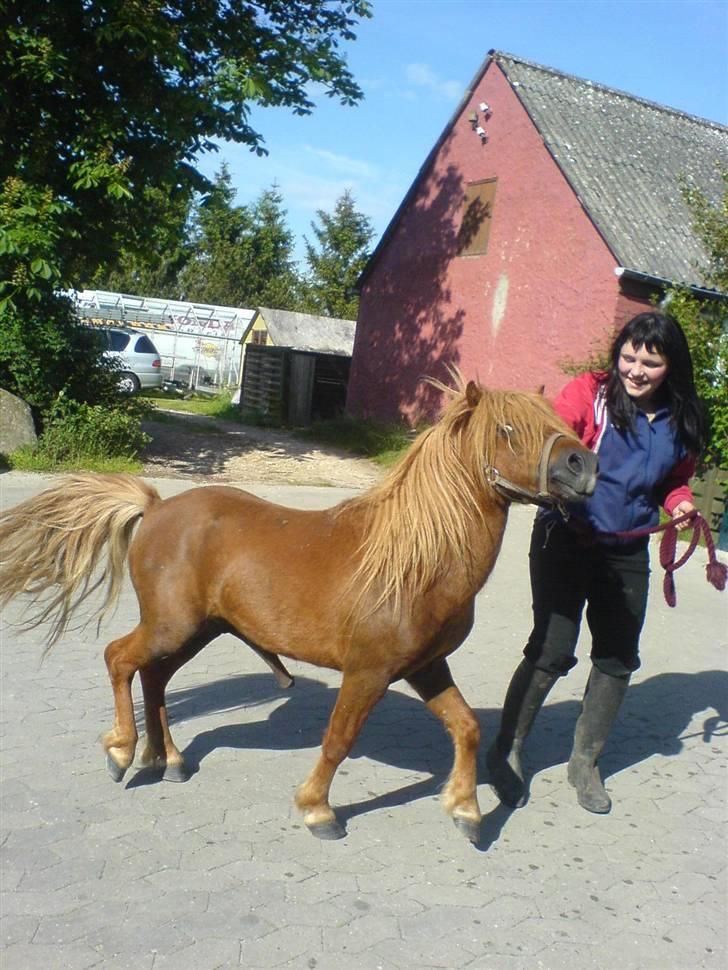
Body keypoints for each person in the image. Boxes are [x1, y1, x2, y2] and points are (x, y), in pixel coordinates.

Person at [487, 311, 707, 814]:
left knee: (617, 656)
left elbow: (671, 481)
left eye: (649, 362)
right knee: (551, 649)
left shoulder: (681, 418)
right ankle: (508, 747)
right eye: (628, 357)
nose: (635, 370)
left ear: (670, 366)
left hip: (626, 548)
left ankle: (584, 763)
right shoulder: (589, 394)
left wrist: (680, 505)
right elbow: (555, 450)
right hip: (567, 538)